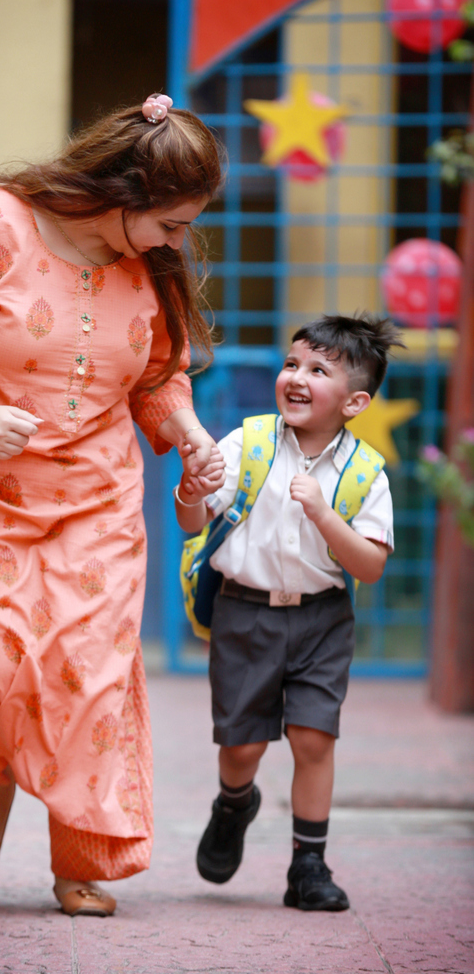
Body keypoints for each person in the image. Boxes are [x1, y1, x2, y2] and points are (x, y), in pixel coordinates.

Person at [0, 94, 226, 917]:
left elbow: (156, 375)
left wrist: (188, 432)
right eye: (172, 224)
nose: (181, 242)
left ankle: (83, 857)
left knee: (89, 678)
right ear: (125, 193)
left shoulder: (150, 270)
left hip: (95, 504)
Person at [174, 313, 404, 911]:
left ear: (354, 401)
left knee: (313, 738)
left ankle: (309, 864)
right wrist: (190, 493)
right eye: (292, 363)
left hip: (321, 620)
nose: (297, 377)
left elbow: (371, 566)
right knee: (243, 747)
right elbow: (193, 525)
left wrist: (325, 515)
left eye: (318, 370)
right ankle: (234, 804)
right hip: (244, 615)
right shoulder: (247, 442)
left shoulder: (364, 473)